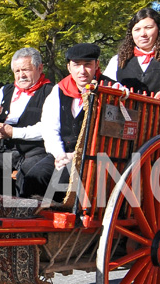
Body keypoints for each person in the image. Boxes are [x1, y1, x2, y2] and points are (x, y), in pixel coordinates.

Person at [20, 43, 100, 201]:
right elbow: (50, 129)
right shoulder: (59, 90)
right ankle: (28, 220)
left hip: (92, 157)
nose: (82, 71)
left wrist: (76, 156)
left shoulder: (111, 88)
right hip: (61, 153)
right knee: (34, 177)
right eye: (76, 65)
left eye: (88, 65)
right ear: (69, 67)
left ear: (97, 65)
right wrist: (60, 155)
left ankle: (60, 221)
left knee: (60, 183)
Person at [0, 47, 54, 196]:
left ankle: (23, 214)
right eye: (17, 71)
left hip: (35, 152)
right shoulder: (5, 90)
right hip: (4, 151)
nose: (21, 75)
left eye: (26, 70)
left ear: (40, 68)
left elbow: (49, 128)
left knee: (28, 174)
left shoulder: (52, 92)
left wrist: (12, 132)